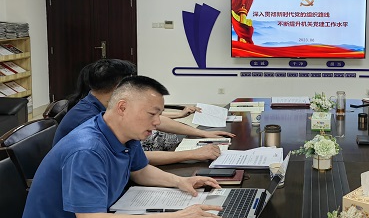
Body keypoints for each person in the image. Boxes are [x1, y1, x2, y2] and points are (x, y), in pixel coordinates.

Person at [15, 76, 225, 218]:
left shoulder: (124, 132)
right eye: (152, 114)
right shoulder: (87, 150)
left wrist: (180, 181)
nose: (157, 122)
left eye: (159, 114)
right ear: (122, 107)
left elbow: (140, 171)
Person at [54, 59, 235, 165]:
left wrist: (202, 133)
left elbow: (153, 122)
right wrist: (192, 154)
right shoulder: (89, 120)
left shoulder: (112, 106)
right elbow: (133, 158)